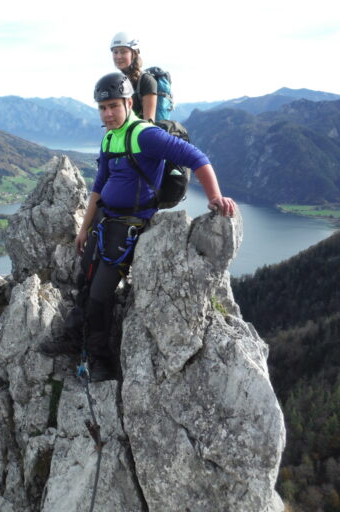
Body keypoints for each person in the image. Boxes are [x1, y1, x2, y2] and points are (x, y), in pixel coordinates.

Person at [50, 72, 236, 381]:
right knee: (84, 280)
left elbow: (196, 157)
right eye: (102, 108)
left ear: (127, 103)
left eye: (113, 106)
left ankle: (101, 361)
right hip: (104, 222)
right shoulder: (110, 137)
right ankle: (73, 336)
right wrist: (84, 227)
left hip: (129, 227)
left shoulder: (144, 135)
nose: (107, 114)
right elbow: (99, 185)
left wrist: (215, 197)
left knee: (100, 294)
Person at [110, 31, 158, 122]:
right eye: (115, 52)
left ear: (134, 54)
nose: (118, 56)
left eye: (123, 52)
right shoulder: (116, 82)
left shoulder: (146, 81)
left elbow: (149, 123)